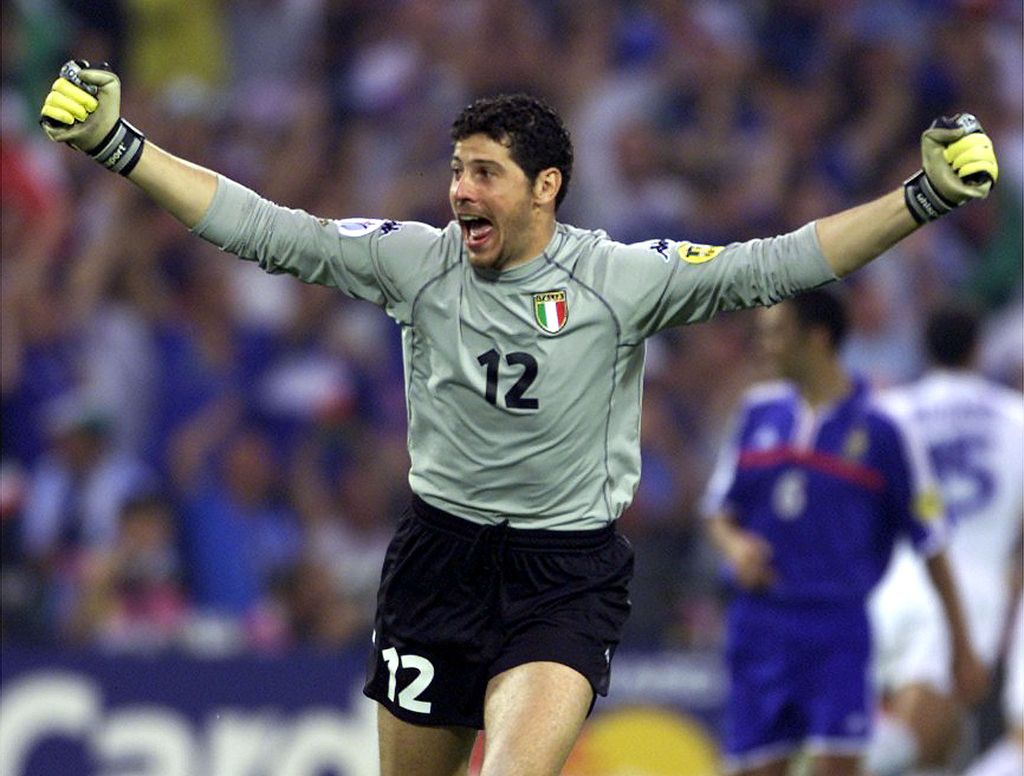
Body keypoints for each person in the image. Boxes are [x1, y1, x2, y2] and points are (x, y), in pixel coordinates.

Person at [38, 60, 998, 775]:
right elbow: (263, 227)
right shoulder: (414, 260)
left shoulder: (622, 278)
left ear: (547, 188)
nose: (461, 191)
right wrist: (123, 149)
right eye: (458, 169)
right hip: (438, 564)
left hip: (563, 577)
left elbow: (778, 262)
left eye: (486, 172)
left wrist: (922, 199)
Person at [700, 290, 988, 776]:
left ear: (817, 338)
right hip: (758, 624)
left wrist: (962, 647)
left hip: (834, 629)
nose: (763, 347)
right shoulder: (756, 413)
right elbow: (718, 511)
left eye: (776, 334)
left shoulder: (884, 431)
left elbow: (932, 542)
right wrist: (735, 546)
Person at [866, 302, 1024, 776]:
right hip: (969, 594)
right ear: (979, 349)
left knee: (930, 753)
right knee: (913, 742)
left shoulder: (887, 412)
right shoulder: (1016, 418)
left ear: (924, 349)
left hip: (888, 586)